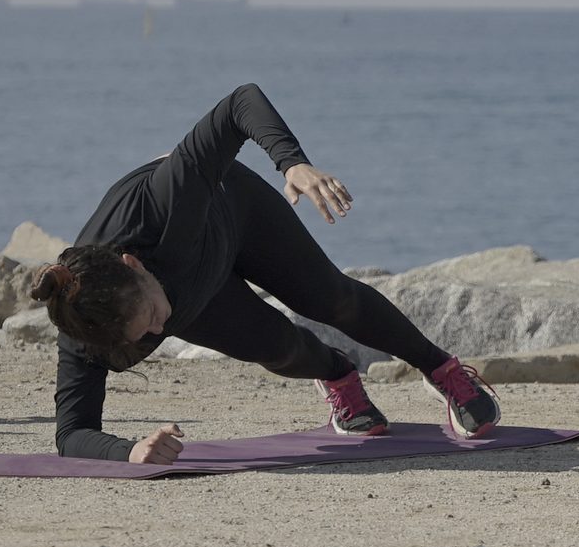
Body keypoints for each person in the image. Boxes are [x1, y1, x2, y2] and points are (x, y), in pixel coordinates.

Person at [31, 85, 502, 463]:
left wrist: (292, 162)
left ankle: (440, 368)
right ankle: (339, 375)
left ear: (131, 265)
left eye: (152, 313)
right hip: (196, 291)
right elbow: (72, 434)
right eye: (146, 333)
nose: (160, 330)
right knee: (279, 348)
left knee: (331, 299)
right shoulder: (86, 333)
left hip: (233, 210)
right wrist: (131, 451)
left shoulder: (160, 205)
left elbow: (240, 103)